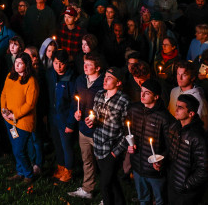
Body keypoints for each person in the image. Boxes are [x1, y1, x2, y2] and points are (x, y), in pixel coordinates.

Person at [85, 67, 130, 205]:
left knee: (104, 184)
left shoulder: (123, 101)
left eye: (109, 78)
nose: (105, 80)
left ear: (118, 83)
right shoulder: (99, 94)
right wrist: (91, 122)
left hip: (112, 150)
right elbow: (96, 117)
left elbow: (128, 130)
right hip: (98, 146)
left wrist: (115, 153)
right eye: (105, 76)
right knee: (113, 182)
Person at [125, 79, 174, 205]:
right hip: (137, 166)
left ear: (156, 96)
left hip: (155, 171)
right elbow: (127, 130)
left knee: (160, 201)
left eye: (146, 93)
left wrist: (162, 160)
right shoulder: (134, 109)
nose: (141, 95)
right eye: (141, 91)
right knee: (143, 199)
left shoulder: (164, 118)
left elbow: (171, 145)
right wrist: (129, 144)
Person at [68, 53, 104, 200]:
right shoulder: (80, 80)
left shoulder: (103, 83)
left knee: (103, 164)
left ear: (98, 68)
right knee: (87, 160)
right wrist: (77, 113)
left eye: (89, 65)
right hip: (83, 129)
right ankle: (88, 189)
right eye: (84, 64)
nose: (85, 67)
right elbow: (76, 100)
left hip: (99, 131)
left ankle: (106, 194)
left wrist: (96, 118)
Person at [166, 93, 208, 204]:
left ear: (191, 113)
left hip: (187, 193)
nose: (176, 110)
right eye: (176, 106)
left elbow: (204, 169)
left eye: (180, 108)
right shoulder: (174, 127)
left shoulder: (198, 137)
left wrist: (186, 185)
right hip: (173, 185)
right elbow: (170, 153)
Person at [0, 52, 38, 183]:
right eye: (16, 62)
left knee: (19, 150)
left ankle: (29, 174)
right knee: (15, 147)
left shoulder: (31, 81)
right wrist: (3, 110)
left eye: (20, 63)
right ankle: (20, 171)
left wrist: (14, 114)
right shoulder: (10, 76)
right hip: (9, 120)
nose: (17, 65)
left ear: (26, 65)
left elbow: (30, 104)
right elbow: (4, 93)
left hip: (23, 122)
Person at [47, 49, 77, 183]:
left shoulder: (72, 79)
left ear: (67, 63)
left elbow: (74, 103)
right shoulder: (51, 75)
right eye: (55, 63)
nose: (58, 67)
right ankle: (60, 167)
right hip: (54, 117)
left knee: (67, 146)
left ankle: (69, 171)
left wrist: (71, 123)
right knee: (57, 144)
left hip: (65, 119)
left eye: (61, 63)